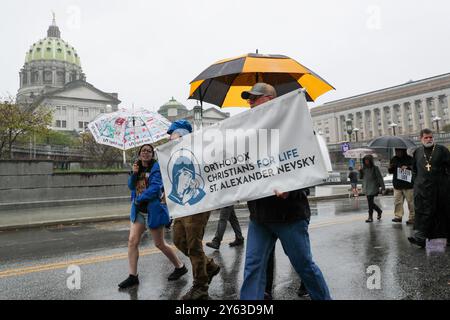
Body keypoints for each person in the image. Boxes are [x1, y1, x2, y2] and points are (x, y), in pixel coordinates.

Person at [239, 83, 331, 300]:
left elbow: (312, 166)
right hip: (259, 215)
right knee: (252, 267)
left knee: (304, 266)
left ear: (270, 99)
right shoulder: (249, 133)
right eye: (249, 99)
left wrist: (292, 187)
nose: (250, 103)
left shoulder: (296, 127)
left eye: (255, 98)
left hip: (289, 215)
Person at [118, 144, 187, 289]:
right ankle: (133, 276)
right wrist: (134, 173)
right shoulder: (137, 166)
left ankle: (180, 266)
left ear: (152, 154)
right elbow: (131, 186)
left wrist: (139, 198)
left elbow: (156, 188)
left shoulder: (156, 167)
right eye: (143, 151)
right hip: (139, 212)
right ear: (139, 153)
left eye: (149, 151)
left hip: (153, 210)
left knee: (159, 243)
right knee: (132, 241)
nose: (146, 153)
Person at [167, 120, 221, 300]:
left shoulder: (198, 150)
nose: (170, 137)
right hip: (181, 206)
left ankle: (200, 288)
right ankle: (210, 267)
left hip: (198, 204)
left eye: (174, 134)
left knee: (194, 246)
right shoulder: (173, 155)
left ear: (183, 135)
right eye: (170, 135)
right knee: (178, 239)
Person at [408, 129, 450, 248]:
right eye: (426, 138)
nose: (429, 139)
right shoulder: (417, 152)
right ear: (421, 139)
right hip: (423, 189)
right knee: (423, 212)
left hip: (440, 188)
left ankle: (442, 239)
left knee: (441, 213)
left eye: (430, 137)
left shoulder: (442, 150)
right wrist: (416, 183)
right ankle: (421, 237)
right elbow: (414, 170)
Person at [388, 148, 415, 224]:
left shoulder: (410, 159)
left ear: (403, 151)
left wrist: (408, 167)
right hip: (397, 184)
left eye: (398, 151)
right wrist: (390, 168)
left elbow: (414, 168)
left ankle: (412, 217)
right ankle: (398, 216)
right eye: (396, 151)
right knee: (397, 202)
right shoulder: (393, 159)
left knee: (411, 202)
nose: (397, 152)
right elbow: (391, 171)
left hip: (408, 184)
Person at [358, 155, 385, 223]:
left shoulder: (375, 168)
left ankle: (370, 217)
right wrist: (360, 171)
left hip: (373, 187)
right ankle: (379, 211)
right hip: (366, 187)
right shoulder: (363, 169)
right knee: (370, 202)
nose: (366, 162)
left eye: (368, 160)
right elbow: (360, 177)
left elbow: (380, 178)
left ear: (370, 161)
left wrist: (383, 187)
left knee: (370, 202)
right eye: (365, 160)